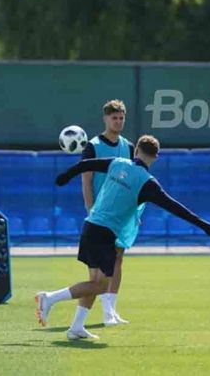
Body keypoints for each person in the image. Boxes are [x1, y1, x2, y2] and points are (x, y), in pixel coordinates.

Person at [36, 135, 210, 340]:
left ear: (136, 150)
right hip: (104, 232)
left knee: (94, 281)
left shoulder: (117, 162)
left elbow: (85, 165)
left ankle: (76, 327)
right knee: (101, 285)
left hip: (90, 225)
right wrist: (202, 224)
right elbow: (174, 207)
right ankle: (49, 298)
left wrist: (65, 177)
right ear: (155, 157)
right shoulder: (148, 183)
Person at [81, 99, 137, 326]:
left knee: (118, 259)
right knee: (100, 267)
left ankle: (111, 311)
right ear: (105, 119)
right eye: (114, 117)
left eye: (122, 117)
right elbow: (86, 182)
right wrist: (91, 211)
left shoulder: (129, 147)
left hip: (122, 215)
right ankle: (102, 313)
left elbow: (135, 182)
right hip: (101, 216)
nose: (119, 121)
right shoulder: (93, 146)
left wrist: (135, 214)